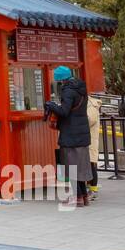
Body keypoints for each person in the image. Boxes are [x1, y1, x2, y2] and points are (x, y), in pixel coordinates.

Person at [45, 65, 91, 208]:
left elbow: (64, 112)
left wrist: (51, 105)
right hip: (82, 134)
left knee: (71, 167)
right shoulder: (81, 89)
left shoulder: (68, 91)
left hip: (71, 134)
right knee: (81, 167)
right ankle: (84, 197)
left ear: (61, 79)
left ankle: (76, 198)